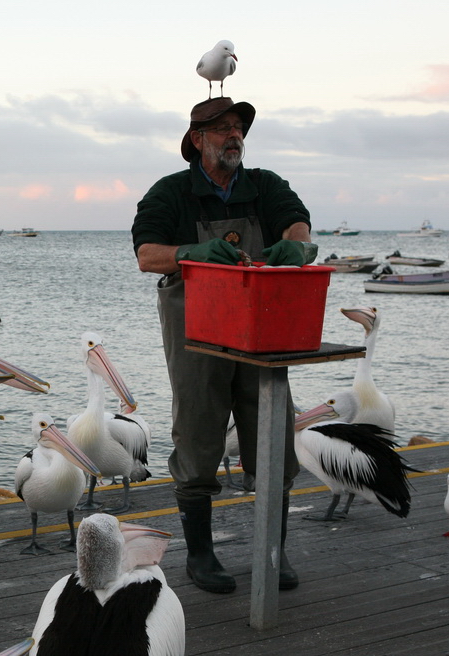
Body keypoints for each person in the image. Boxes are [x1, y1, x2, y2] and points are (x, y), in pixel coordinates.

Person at [131, 96, 315, 594]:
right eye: (222, 129)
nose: (234, 136)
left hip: (262, 326)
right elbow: (147, 255)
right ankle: (201, 556)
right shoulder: (170, 192)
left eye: (238, 128)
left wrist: (296, 244)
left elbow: (297, 222)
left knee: (274, 432)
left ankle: (272, 554)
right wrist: (190, 252)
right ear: (197, 139)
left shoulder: (266, 186)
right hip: (196, 328)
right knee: (197, 434)